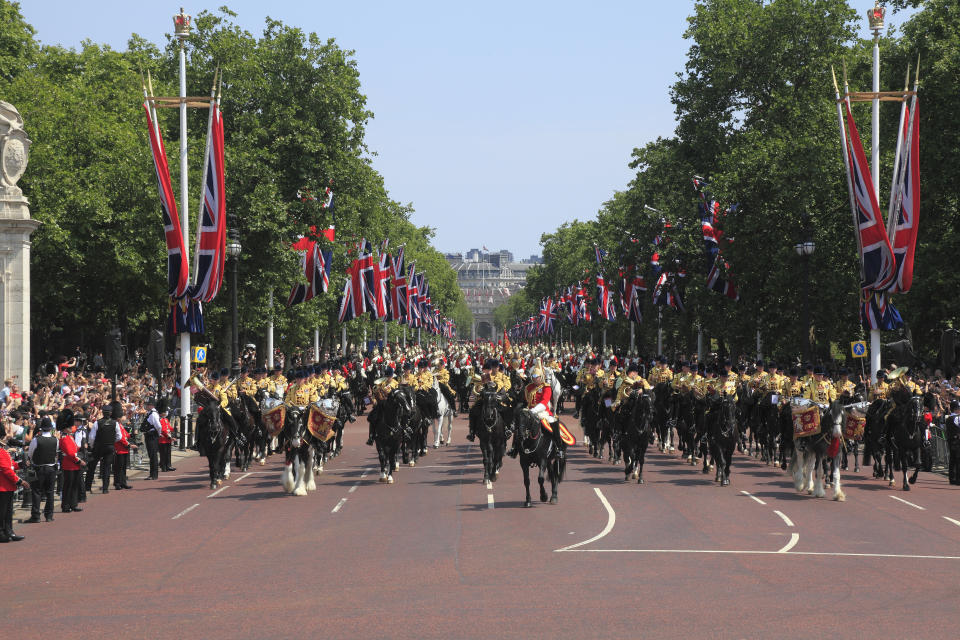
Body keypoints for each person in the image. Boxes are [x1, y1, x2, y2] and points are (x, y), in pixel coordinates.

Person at [26, 417, 58, 523]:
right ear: (50, 428)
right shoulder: (55, 439)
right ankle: (49, 515)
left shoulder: (36, 439)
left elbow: (30, 454)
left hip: (39, 468)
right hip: (51, 468)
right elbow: (56, 452)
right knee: (50, 492)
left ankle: (36, 515)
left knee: (36, 492)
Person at [86, 402, 121, 493]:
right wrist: (113, 442)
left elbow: (91, 437)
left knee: (92, 466)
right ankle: (105, 488)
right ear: (110, 413)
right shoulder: (115, 423)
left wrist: (92, 446)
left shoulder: (97, 423)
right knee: (107, 467)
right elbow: (119, 436)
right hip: (109, 446)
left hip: (98, 446)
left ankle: (88, 487)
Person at [0, 438, 28, 542]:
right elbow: (6, 470)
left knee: (8, 511)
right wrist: (20, 481)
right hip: (3, 486)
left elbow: (11, 465)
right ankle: (2, 533)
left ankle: (9, 531)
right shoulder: (1, 451)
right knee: (2, 512)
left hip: (8, 486)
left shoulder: (3, 451)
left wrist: (21, 465)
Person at [59, 417, 85, 512]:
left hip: (74, 464)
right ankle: (66, 506)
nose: (71, 428)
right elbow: (70, 453)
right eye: (69, 427)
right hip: (69, 465)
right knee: (68, 486)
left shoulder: (70, 436)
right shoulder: (64, 438)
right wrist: (79, 461)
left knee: (74, 485)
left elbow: (74, 448)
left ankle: (73, 504)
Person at [141, 398, 162, 480]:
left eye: (148, 404)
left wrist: (158, 434)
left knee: (153, 455)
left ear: (151, 405)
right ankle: (153, 474)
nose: (146, 406)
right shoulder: (151, 413)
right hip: (150, 435)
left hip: (152, 435)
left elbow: (158, 426)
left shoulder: (153, 414)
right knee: (152, 455)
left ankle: (153, 474)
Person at [112, 416, 134, 490]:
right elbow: (120, 438)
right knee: (118, 467)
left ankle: (123, 482)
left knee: (123, 467)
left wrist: (130, 433)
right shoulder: (116, 426)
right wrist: (128, 444)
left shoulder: (121, 425)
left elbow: (126, 435)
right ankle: (117, 483)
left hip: (125, 449)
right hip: (119, 449)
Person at [946, 400, 960, 486]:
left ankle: (952, 478)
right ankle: (958, 479)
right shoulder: (957, 418)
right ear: (956, 409)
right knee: (958, 460)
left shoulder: (948, 418)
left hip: (951, 440)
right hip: (957, 441)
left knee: (952, 460)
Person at [158, 401, 175, 472]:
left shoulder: (166, 419)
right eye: (164, 412)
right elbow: (164, 430)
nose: (165, 413)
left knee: (168, 453)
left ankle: (168, 465)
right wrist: (169, 437)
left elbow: (169, 427)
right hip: (163, 439)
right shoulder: (160, 420)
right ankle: (164, 466)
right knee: (163, 454)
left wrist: (174, 429)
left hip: (168, 439)